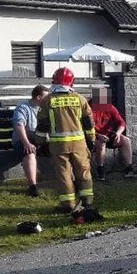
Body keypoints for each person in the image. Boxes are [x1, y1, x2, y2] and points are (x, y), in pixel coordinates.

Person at [36, 67, 96, 212]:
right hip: (79, 144)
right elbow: (89, 123)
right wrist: (91, 140)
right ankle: (87, 201)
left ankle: (68, 205)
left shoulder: (47, 101)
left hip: (58, 145)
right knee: (83, 172)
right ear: (71, 82)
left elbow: (42, 126)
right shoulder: (80, 99)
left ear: (54, 81)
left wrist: (40, 143)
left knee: (64, 174)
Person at [11, 84, 50, 197]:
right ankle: (33, 187)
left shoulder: (45, 109)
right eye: (46, 97)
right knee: (30, 153)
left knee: (62, 150)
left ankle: (72, 182)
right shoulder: (23, 107)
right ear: (38, 97)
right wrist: (26, 143)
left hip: (41, 140)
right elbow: (19, 125)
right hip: (23, 140)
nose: (48, 100)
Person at [89, 87, 135, 181]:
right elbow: (85, 128)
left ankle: (129, 168)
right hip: (94, 135)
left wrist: (118, 133)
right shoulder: (89, 110)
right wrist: (98, 135)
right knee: (100, 144)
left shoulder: (110, 107)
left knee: (126, 140)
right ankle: (100, 169)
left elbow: (121, 122)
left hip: (108, 134)